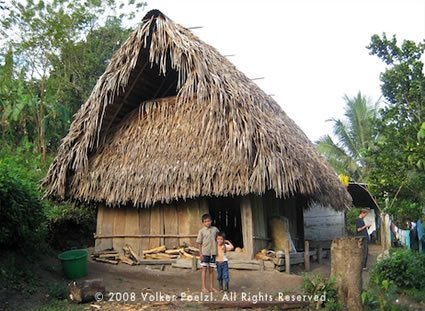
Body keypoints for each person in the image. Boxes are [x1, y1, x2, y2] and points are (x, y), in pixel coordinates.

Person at [196, 214, 220, 293]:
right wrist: (200, 254)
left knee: (212, 270)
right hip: (205, 252)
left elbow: (219, 239)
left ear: (211, 221)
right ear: (203, 223)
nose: (207, 223)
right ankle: (203, 287)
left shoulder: (215, 229)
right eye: (205, 221)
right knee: (204, 270)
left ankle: (211, 287)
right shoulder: (201, 231)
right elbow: (199, 243)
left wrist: (219, 251)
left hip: (213, 252)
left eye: (209, 221)